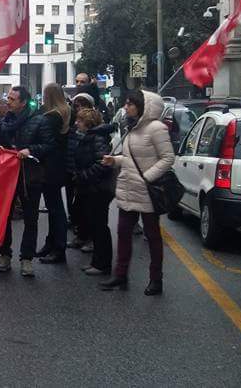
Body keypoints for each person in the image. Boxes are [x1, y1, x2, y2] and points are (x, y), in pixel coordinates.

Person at [100, 90, 174, 296]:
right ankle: (120, 275)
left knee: (152, 236)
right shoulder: (131, 128)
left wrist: (147, 177)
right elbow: (130, 159)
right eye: (126, 103)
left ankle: (156, 279)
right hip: (128, 188)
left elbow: (168, 158)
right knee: (123, 233)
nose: (126, 106)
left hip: (147, 191)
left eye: (131, 104)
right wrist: (115, 160)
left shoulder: (156, 128)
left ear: (143, 106)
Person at [0, 86, 60, 277]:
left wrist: (30, 151)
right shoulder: (4, 121)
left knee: (31, 218)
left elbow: (49, 145)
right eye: (8, 98)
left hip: (30, 176)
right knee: (4, 217)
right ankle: (4, 255)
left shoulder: (40, 121)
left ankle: (27, 258)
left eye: (13, 99)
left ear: (23, 102)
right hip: (7, 176)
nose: (9, 101)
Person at [72, 108, 115, 276]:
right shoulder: (89, 137)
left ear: (88, 123)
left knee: (99, 227)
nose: (76, 123)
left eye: (80, 121)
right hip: (92, 187)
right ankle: (98, 261)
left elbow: (102, 163)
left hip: (97, 189)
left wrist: (83, 176)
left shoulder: (96, 138)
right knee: (96, 226)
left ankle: (102, 264)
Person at [34, 83, 71, 265]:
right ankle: (53, 243)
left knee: (55, 208)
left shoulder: (50, 116)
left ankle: (58, 247)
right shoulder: (66, 112)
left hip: (50, 166)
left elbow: (45, 142)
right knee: (55, 206)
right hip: (60, 165)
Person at [65, 93, 96, 251]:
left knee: (89, 210)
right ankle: (80, 235)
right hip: (73, 170)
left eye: (82, 105)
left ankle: (90, 238)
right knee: (76, 207)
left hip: (87, 176)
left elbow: (98, 158)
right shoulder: (73, 124)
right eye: (76, 105)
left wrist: (85, 174)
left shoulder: (95, 132)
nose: (79, 108)